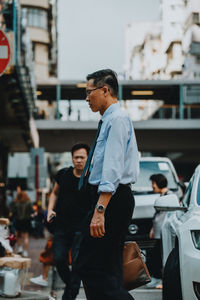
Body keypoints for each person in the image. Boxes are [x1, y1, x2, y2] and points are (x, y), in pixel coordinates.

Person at [76, 69, 139, 300]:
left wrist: (100, 210)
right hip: (109, 199)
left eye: (89, 92)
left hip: (112, 200)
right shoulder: (108, 120)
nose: (86, 98)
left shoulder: (118, 120)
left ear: (104, 90)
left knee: (90, 266)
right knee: (107, 269)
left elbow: (112, 167)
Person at [47, 143, 90, 300]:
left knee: (78, 263)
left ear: (88, 158)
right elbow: (54, 193)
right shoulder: (63, 174)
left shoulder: (92, 178)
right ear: (72, 158)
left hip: (82, 228)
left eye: (82, 157)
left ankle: (69, 295)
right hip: (62, 226)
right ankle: (72, 285)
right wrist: (50, 209)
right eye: (76, 157)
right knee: (59, 258)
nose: (79, 160)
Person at [146, 173, 172, 289]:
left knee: (160, 256)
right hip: (158, 233)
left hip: (164, 233)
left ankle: (160, 279)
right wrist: (152, 229)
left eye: (153, 183)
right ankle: (157, 278)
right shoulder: (162, 196)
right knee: (155, 256)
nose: (152, 186)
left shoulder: (169, 196)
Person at [10, 185, 34, 257]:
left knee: (18, 235)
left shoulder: (16, 203)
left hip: (18, 221)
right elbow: (32, 211)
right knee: (26, 237)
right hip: (26, 221)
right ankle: (25, 251)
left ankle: (20, 248)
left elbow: (13, 212)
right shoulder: (29, 202)